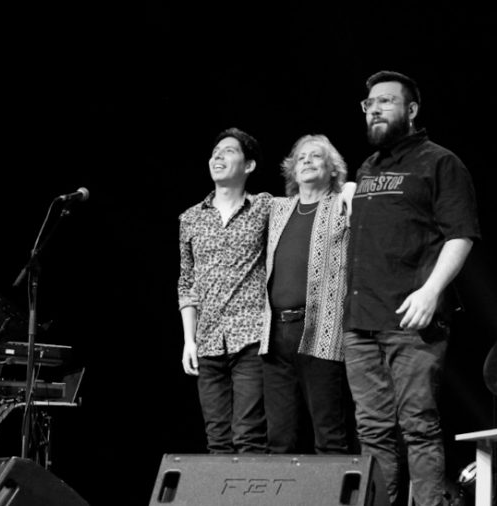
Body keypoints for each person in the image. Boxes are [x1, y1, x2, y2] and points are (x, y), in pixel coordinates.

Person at [343, 70, 481, 506]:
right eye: (369, 104)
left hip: (411, 319)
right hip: (360, 322)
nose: (375, 109)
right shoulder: (368, 168)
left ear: (412, 109)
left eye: (386, 101)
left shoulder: (439, 162)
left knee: (418, 427)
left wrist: (430, 291)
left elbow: (461, 234)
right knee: (372, 430)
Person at [178, 127, 271, 454]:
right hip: (207, 341)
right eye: (215, 152)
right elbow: (186, 283)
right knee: (217, 440)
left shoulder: (265, 207)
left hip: (251, 339)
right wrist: (189, 340)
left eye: (229, 151)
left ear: (249, 165)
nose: (217, 156)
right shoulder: (190, 218)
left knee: (249, 436)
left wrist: (346, 187)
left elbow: (310, 200)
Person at [261, 134, 352, 455]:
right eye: (301, 158)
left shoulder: (343, 205)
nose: (307, 162)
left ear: (333, 169)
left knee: (329, 434)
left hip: (321, 330)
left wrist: (351, 187)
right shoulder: (277, 209)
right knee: (278, 438)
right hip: (275, 334)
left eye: (316, 157)